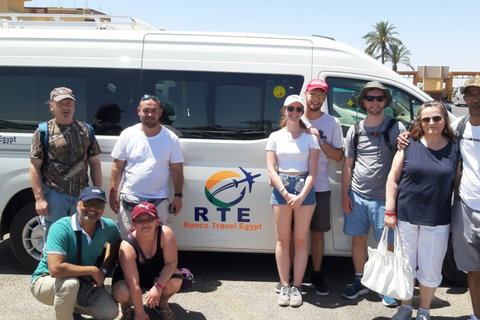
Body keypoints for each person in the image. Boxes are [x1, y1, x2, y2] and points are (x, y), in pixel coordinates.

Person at [385, 101, 460, 320]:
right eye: (426, 119)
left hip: (438, 220)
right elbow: (392, 179)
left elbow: (457, 186)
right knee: (405, 266)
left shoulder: (455, 148)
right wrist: (390, 211)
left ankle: (424, 311)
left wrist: (456, 216)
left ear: (445, 120)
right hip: (406, 217)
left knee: (431, 269)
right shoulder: (408, 144)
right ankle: (406, 307)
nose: (431, 123)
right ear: (420, 121)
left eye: (436, 118)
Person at [341, 81, 406, 307]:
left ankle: (385, 286)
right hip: (357, 195)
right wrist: (345, 195)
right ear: (364, 102)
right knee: (358, 240)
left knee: (386, 244)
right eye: (370, 98)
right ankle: (360, 281)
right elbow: (348, 165)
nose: (375, 102)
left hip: (384, 199)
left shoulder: (397, 128)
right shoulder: (355, 129)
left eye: (379, 98)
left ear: (386, 102)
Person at [30, 186, 121, 320]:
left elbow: (116, 242)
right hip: (46, 279)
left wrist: (104, 269)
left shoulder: (108, 226)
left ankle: (69, 308)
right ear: (78, 204)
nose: (93, 208)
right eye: (88, 203)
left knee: (110, 312)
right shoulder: (61, 227)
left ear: (103, 208)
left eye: (98, 204)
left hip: (83, 283)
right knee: (70, 285)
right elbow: (55, 269)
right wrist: (93, 271)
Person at [266, 94, 320, 307]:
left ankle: (297, 286)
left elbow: (313, 172)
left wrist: (300, 196)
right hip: (282, 188)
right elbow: (271, 168)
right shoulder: (274, 137)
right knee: (283, 240)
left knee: (300, 240)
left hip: (304, 190)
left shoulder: (311, 138)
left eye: (299, 109)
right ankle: (285, 284)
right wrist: (286, 193)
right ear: (284, 111)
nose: (295, 112)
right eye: (291, 109)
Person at [30, 87, 102, 242]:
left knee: (79, 240)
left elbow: (95, 163)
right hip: (54, 195)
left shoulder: (86, 130)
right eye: (61, 104)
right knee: (55, 242)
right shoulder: (43, 131)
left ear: (74, 106)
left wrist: (97, 194)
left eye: (69, 103)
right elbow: (34, 166)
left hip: (81, 197)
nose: (65, 107)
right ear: (52, 106)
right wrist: (39, 199)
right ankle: (53, 267)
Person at [109, 94, 184, 239]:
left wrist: (178, 196)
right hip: (130, 198)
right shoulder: (127, 135)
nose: (150, 114)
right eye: (146, 110)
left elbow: (177, 170)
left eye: (154, 111)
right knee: (127, 240)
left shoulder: (171, 138)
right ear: (139, 111)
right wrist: (113, 193)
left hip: (159, 200)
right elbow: (117, 167)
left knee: (159, 240)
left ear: (160, 112)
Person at [302, 79, 344, 296]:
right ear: (306, 94)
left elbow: (338, 156)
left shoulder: (332, 123)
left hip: (319, 185)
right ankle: (293, 277)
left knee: (318, 233)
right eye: (313, 94)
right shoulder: (295, 118)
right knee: (294, 234)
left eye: (321, 95)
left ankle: (316, 274)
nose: (316, 99)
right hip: (295, 185)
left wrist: (320, 141)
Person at [112, 202, 182, 320]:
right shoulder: (127, 245)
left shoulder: (165, 233)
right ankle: (126, 305)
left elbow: (171, 264)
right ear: (133, 223)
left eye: (149, 219)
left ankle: (161, 303)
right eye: (139, 220)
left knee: (176, 278)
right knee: (123, 294)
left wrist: (158, 286)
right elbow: (133, 284)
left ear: (156, 220)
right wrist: (140, 314)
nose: (145, 223)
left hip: (154, 276)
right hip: (129, 281)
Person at [451, 75, 480, 320]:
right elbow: (430, 130)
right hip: (466, 206)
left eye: (479, 94)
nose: (475, 99)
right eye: (471, 94)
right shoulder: (460, 126)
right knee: (472, 269)